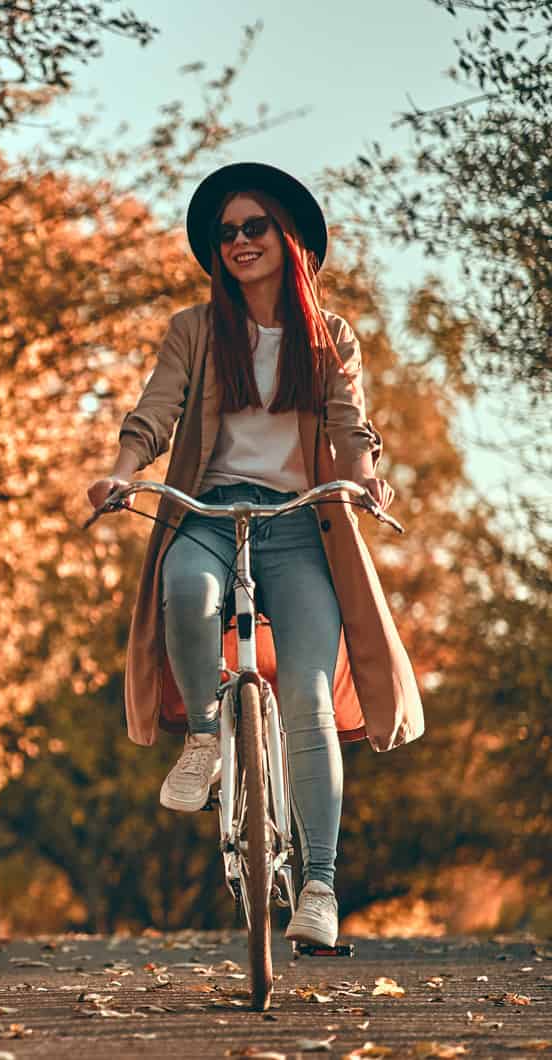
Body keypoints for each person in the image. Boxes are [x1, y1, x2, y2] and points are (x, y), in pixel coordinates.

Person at [86, 163, 424, 947]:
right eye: (226, 233)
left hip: (303, 525)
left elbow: (351, 427)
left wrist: (368, 481)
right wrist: (124, 470)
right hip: (211, 508)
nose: (238, 241)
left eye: (253, 228)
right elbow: (155, 411)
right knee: (187, 593)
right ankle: (206, 737)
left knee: (306, 698)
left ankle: (318, 887)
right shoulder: (195, 330)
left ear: (287, 238)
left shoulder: (330, 336)